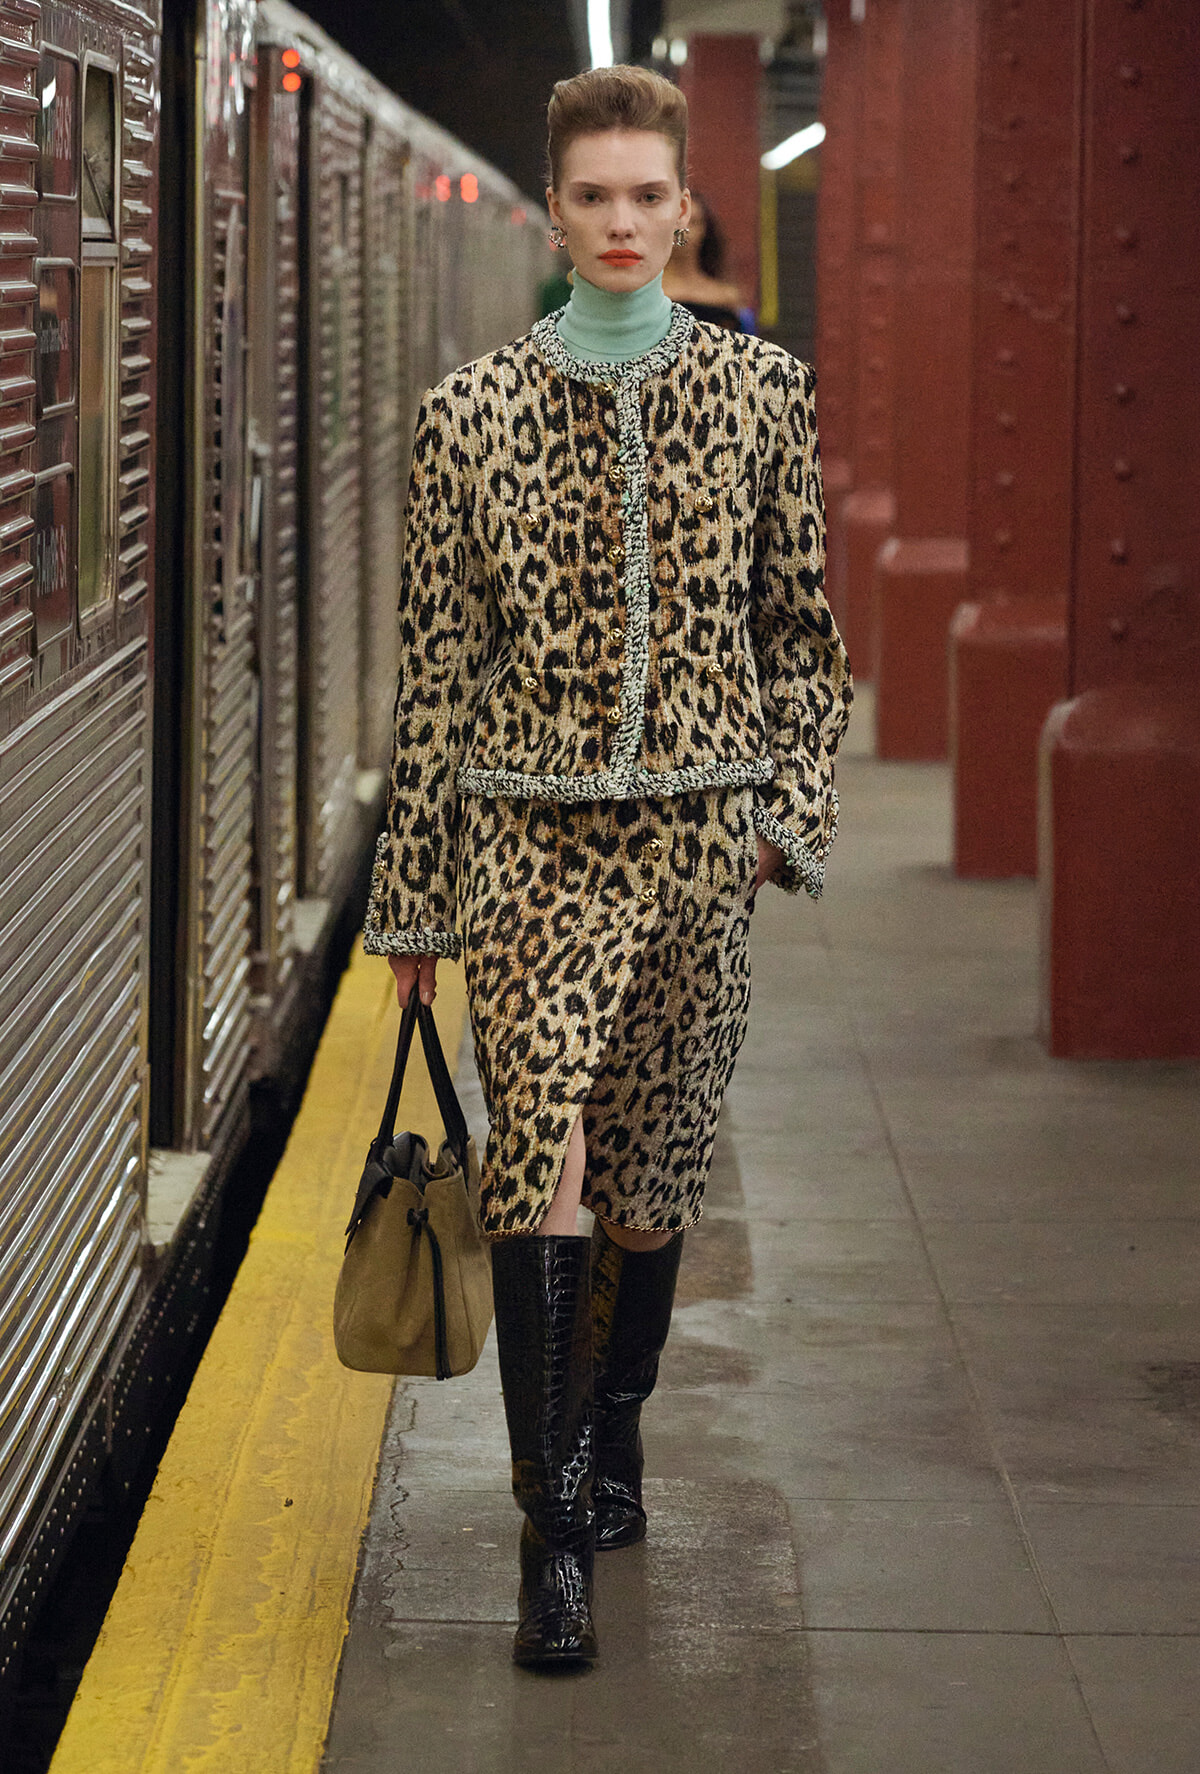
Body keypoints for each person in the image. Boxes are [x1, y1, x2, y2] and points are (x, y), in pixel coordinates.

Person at [363, 64, 852, 1671]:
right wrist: (418, 905)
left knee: (651, 1191)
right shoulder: (469, 415)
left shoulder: (760, 398)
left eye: (652, 196)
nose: (626, 222)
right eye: (597, 197)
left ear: (684, 205)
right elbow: (437, 673)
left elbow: (801, 637)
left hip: (705, 843)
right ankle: (552, 1524)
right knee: (542, 1163)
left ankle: (614, 1419)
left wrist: (791, 818)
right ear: (556, 209)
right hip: (530, 842)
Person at [662, 188, 744, 329]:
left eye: (693, 222)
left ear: (705, 230)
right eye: (676, 221)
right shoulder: (642, 292)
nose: (683, 230)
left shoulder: (726, 297)